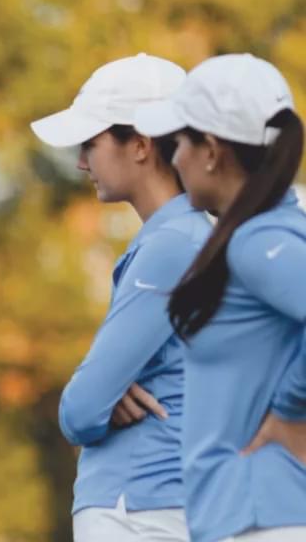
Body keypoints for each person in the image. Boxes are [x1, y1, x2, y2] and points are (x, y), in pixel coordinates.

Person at [31, 53, 210, 541]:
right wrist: (105, 390)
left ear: (141, 145)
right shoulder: (192, 237)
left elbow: (80, 410)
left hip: (135, 509)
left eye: (91, 142)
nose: (81, 161)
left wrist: (100, 395)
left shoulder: (172, 244)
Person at [134, 53, 306, 542]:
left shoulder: (257, 239)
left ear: (211, 150)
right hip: (251, 514)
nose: (174, 159)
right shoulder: (271, 230)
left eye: (179, 143)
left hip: (263, 514)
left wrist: (290, 410)